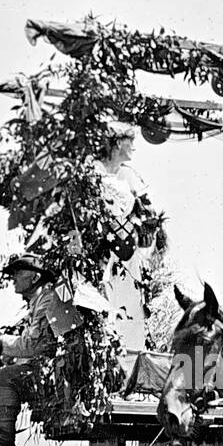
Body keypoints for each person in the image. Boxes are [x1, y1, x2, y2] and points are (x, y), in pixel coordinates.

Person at [0, 254, 79, 446]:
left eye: (18, 273)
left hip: (60, 378)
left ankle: (4, 443)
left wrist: (1, 341)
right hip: (52, 373)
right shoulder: (40, 301)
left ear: (35, 277)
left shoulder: (48, 300)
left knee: (6, 377)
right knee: (6, 379)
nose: (13, 278)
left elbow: (35, 346)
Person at [95, 121, 157, 348]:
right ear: (118, 143)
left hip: (128, 254)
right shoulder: (94, 171)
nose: (134, 148)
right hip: (101, 252)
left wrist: (146, 229)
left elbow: (148, 211)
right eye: (131, 142)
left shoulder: (129, 174)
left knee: (130, 306)